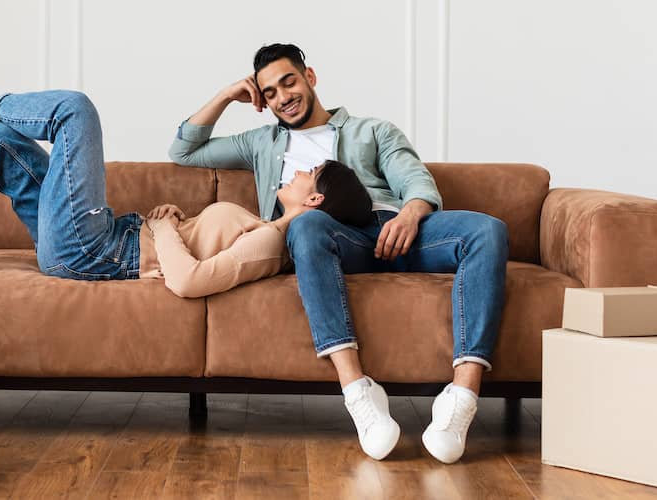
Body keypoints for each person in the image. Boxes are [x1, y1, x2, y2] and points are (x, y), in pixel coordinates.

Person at [169, 43, 509, 463]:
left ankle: (460, 398)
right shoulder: (260, 143)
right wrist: (225, 95)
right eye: (269, 92)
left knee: (488, 230)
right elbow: (183, 150)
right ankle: (359, 394)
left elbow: (416, 181)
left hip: (395, 228)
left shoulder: (372, 130)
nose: (282, 97)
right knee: (306, 224)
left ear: (309, 77)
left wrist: (410, 214)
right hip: (330, 240)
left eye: (288, 82)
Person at [0, 65, 374, 301]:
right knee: (0, 142)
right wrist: (178, 221)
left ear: (315, 198)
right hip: (103, 241)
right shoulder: (264, 227)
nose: (299, 169)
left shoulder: (270, 241)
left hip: (97, 251)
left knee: (75, 110)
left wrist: (164, 228)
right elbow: (186, 159)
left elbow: (189, 282)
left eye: (308, 172)